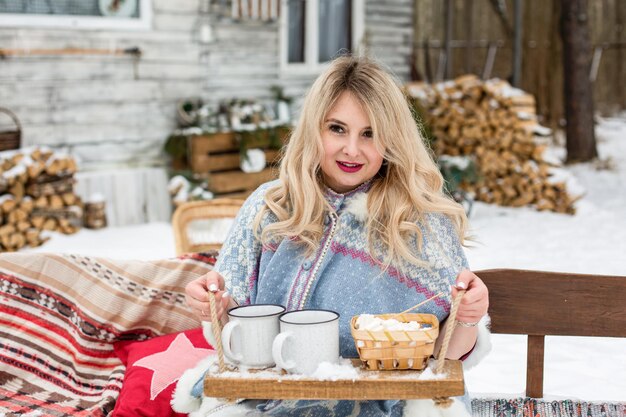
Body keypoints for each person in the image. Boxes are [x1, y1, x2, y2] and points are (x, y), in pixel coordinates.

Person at [183, 55, 490, 417]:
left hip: (391, 404)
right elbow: (235, 326)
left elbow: (448, 352)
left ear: (393, 138)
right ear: (314, 128)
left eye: (370, 134)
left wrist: (469, 316)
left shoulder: (420, 218)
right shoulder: (270, 208)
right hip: (271, 398)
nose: (352, 149)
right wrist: (215, 306)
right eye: (337, 129)